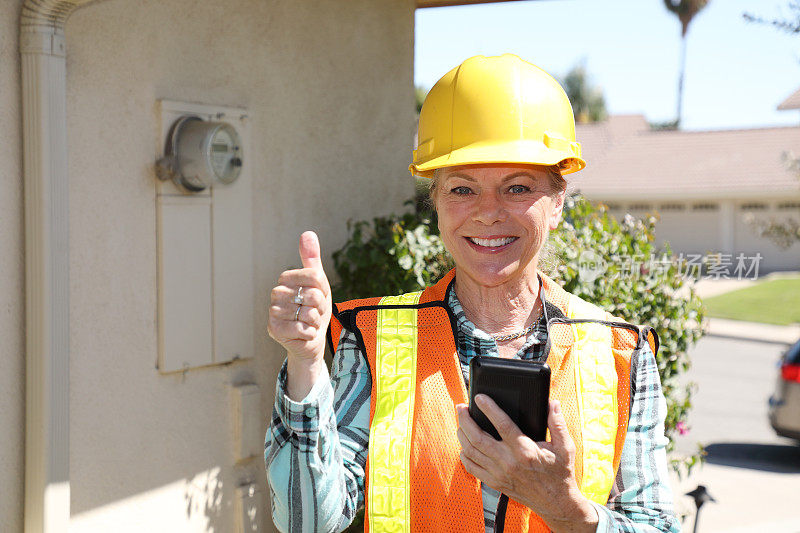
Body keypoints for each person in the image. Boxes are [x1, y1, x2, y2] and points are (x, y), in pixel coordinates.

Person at [265, 54, 680, 533]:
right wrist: (305, 363)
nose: (488, 213)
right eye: (463, 190)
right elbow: (306, 522)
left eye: (518, 187)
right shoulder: (373, 339)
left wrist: (565, 508)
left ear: (557, 204)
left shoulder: (621, 352)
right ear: (436, 204)